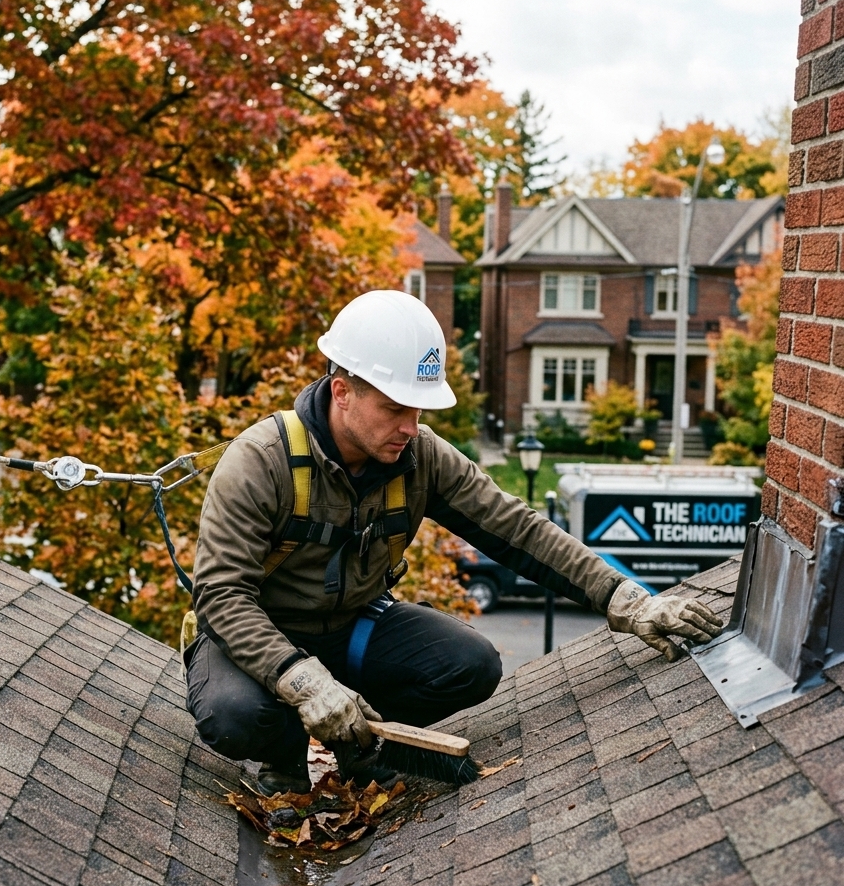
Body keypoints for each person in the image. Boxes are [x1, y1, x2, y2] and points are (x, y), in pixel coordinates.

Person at [185, 290, 723, 794]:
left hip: (351, 630)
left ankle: (364, 751)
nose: (411, 427)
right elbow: (222, 596)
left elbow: (517, 529)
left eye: (419, 411)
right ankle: (283, 758)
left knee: (472, 663)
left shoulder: (419, 456)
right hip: (256, 639)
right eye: (396, 409)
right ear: (342, 392)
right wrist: (301, 682)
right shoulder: (261, 462)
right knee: (235, 715)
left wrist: (626, 599)